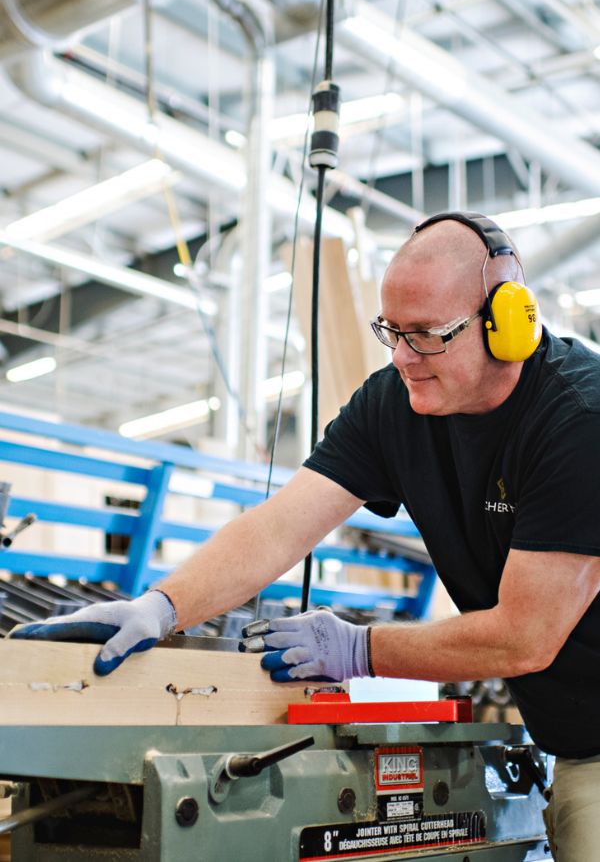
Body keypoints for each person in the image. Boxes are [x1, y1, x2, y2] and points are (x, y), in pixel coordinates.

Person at [9, 211, 600, 861]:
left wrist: (358, 649)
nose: (403, 357)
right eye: (391, 332)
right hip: (571, 737)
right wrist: (162, 607)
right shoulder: (392, 405)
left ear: (506, 324)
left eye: (427, 336)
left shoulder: (579, 420)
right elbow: (278, 527)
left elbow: (524, 636)